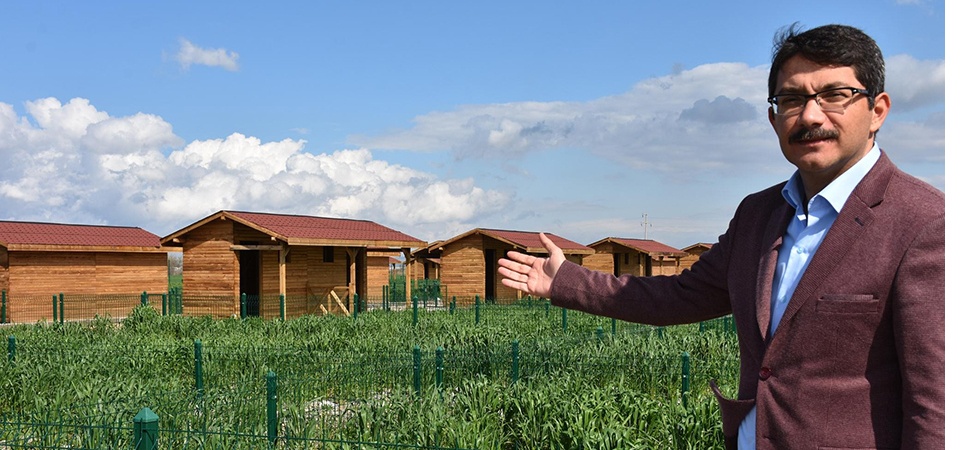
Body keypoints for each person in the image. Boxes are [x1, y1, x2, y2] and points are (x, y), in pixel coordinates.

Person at [498, 23, 944, 450]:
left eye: (833, 95)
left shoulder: (924, 222)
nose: (810, 115)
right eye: (791, 99)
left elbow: (938, 403)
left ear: (877, 110)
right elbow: (679, 296)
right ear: (773, 119)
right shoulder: (759, 215)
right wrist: (565, 282)